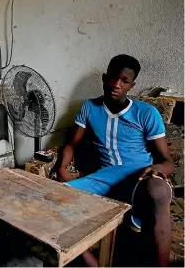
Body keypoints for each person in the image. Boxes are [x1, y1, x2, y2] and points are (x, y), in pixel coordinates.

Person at [57, 54, 174, 267]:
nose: (116, 84)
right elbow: (72, 145)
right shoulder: (89, 107)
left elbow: (167, 161)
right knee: (56, 204)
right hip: (103, 178)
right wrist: (62, 168)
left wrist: (157, 168)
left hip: (138, 175)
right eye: (112, 78)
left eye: (124, 80)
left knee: (158, 191)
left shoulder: (146, 113)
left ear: (132, 85)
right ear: (104, 78)